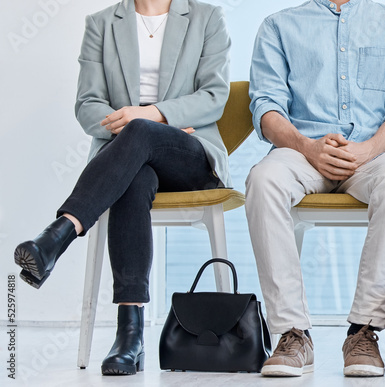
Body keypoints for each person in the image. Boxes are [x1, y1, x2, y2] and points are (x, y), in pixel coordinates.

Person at [12, 0, 230, 376]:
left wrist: (148, 117)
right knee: (135, 176)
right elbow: (87, 104)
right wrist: (128, 126)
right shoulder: (100, 23)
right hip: (125, 157)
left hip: (189, 152)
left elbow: (213, 94)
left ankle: (58, 235)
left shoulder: (207, 17)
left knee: (140, 132)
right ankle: (130, 335)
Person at [245, 0, 385, 378]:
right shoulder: (278, 26)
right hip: (302, 151)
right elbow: (265, 106)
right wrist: (307, 147)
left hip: (371, 154)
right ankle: (293, 333)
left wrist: (368, 149)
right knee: (263, 179)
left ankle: (364, 331)